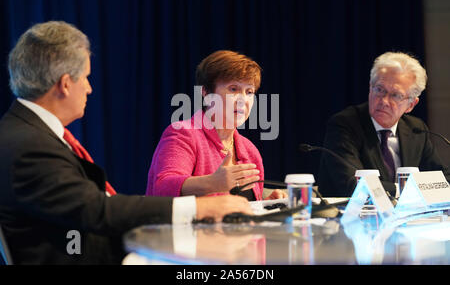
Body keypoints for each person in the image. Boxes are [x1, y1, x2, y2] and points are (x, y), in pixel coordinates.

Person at [0, 21, 252, 265]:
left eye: (249, 92)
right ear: (65, 84)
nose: (89, 88)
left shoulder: (29, 133)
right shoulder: (28, 145)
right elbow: (97, 209)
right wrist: (198, 208)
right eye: (86, 78)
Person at [146, 50, 286, 200]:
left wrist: (266, 204)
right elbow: (162, 187)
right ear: (206, 92)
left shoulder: (249, 150)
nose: (243, 100)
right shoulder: (184, 133)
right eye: (233, 89)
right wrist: (213, 183)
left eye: (249, 92)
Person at [318, 52, 449, 197]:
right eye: (380, 90)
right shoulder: (344, 125)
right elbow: (353, 184)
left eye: (396, 95)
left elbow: (441, 178)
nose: (384, 101)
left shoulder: (416, 129)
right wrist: (409, 191)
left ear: (411, 104)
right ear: (370, 88)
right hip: (350, 216)